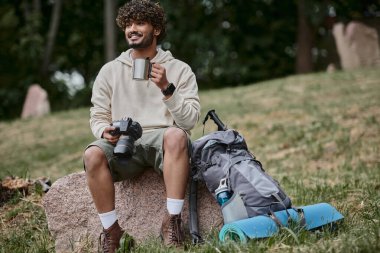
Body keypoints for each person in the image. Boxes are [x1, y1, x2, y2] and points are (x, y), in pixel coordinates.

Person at [83, 0, 200, 252]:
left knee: (177, 136)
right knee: (92, 154)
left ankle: (173, 221)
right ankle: (112, 231)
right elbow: (98, 115)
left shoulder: (180, 70)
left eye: (139, 23)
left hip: (163, 141)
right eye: (128, 24)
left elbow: (189, 121)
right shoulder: (109, 71)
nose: (132, 29)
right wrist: (104, 130)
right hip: (125, 142)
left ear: (156, 29)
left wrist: (167, 89)